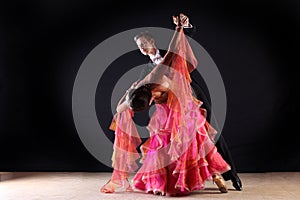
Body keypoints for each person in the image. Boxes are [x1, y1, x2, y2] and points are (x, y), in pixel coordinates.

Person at [101, 14, 231, 196]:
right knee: (174, 147)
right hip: (168, 116)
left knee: (195, 142)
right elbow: (119, 109)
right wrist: (124, 100)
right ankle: (180, 180)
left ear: (150, 99)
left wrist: (179, 29)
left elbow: (171, 50)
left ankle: (217, 176)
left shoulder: (154, 75)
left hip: (184, 109)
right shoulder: (142, 84)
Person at [133, 13, 242, 191]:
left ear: (151, 41)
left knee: (211, 132)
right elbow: (142, 90)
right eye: (139, 47)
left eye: (144, 44)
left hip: (192, 96)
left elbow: (184, 40)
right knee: (176, 143)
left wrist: (185, 25)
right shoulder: (146, 69)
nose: (143, 49)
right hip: (171, 109)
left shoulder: (170, 50)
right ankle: (179, 180)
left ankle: (232, 176)